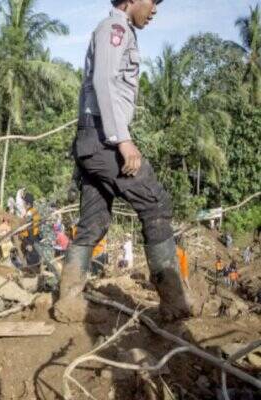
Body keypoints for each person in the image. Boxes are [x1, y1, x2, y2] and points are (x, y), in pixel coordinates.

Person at [53, 0, 192, 322]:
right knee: (155, 204)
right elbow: (104, 81)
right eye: (151, 1)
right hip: (105, 139)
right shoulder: (114, 29)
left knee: (94, 223)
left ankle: (68, 301)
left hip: (93, 140)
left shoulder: (117, 30)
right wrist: (123, 140)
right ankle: (174, 302)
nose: (155, 8)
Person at [18, 192, 41, 268]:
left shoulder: (30, 214)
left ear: (28, 204)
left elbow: (31, 228)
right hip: (33, 238)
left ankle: (33, 272)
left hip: (31, 238)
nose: (23, 204)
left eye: (24, 203)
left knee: (32, 259)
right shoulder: (32, 211)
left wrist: (30, 243)